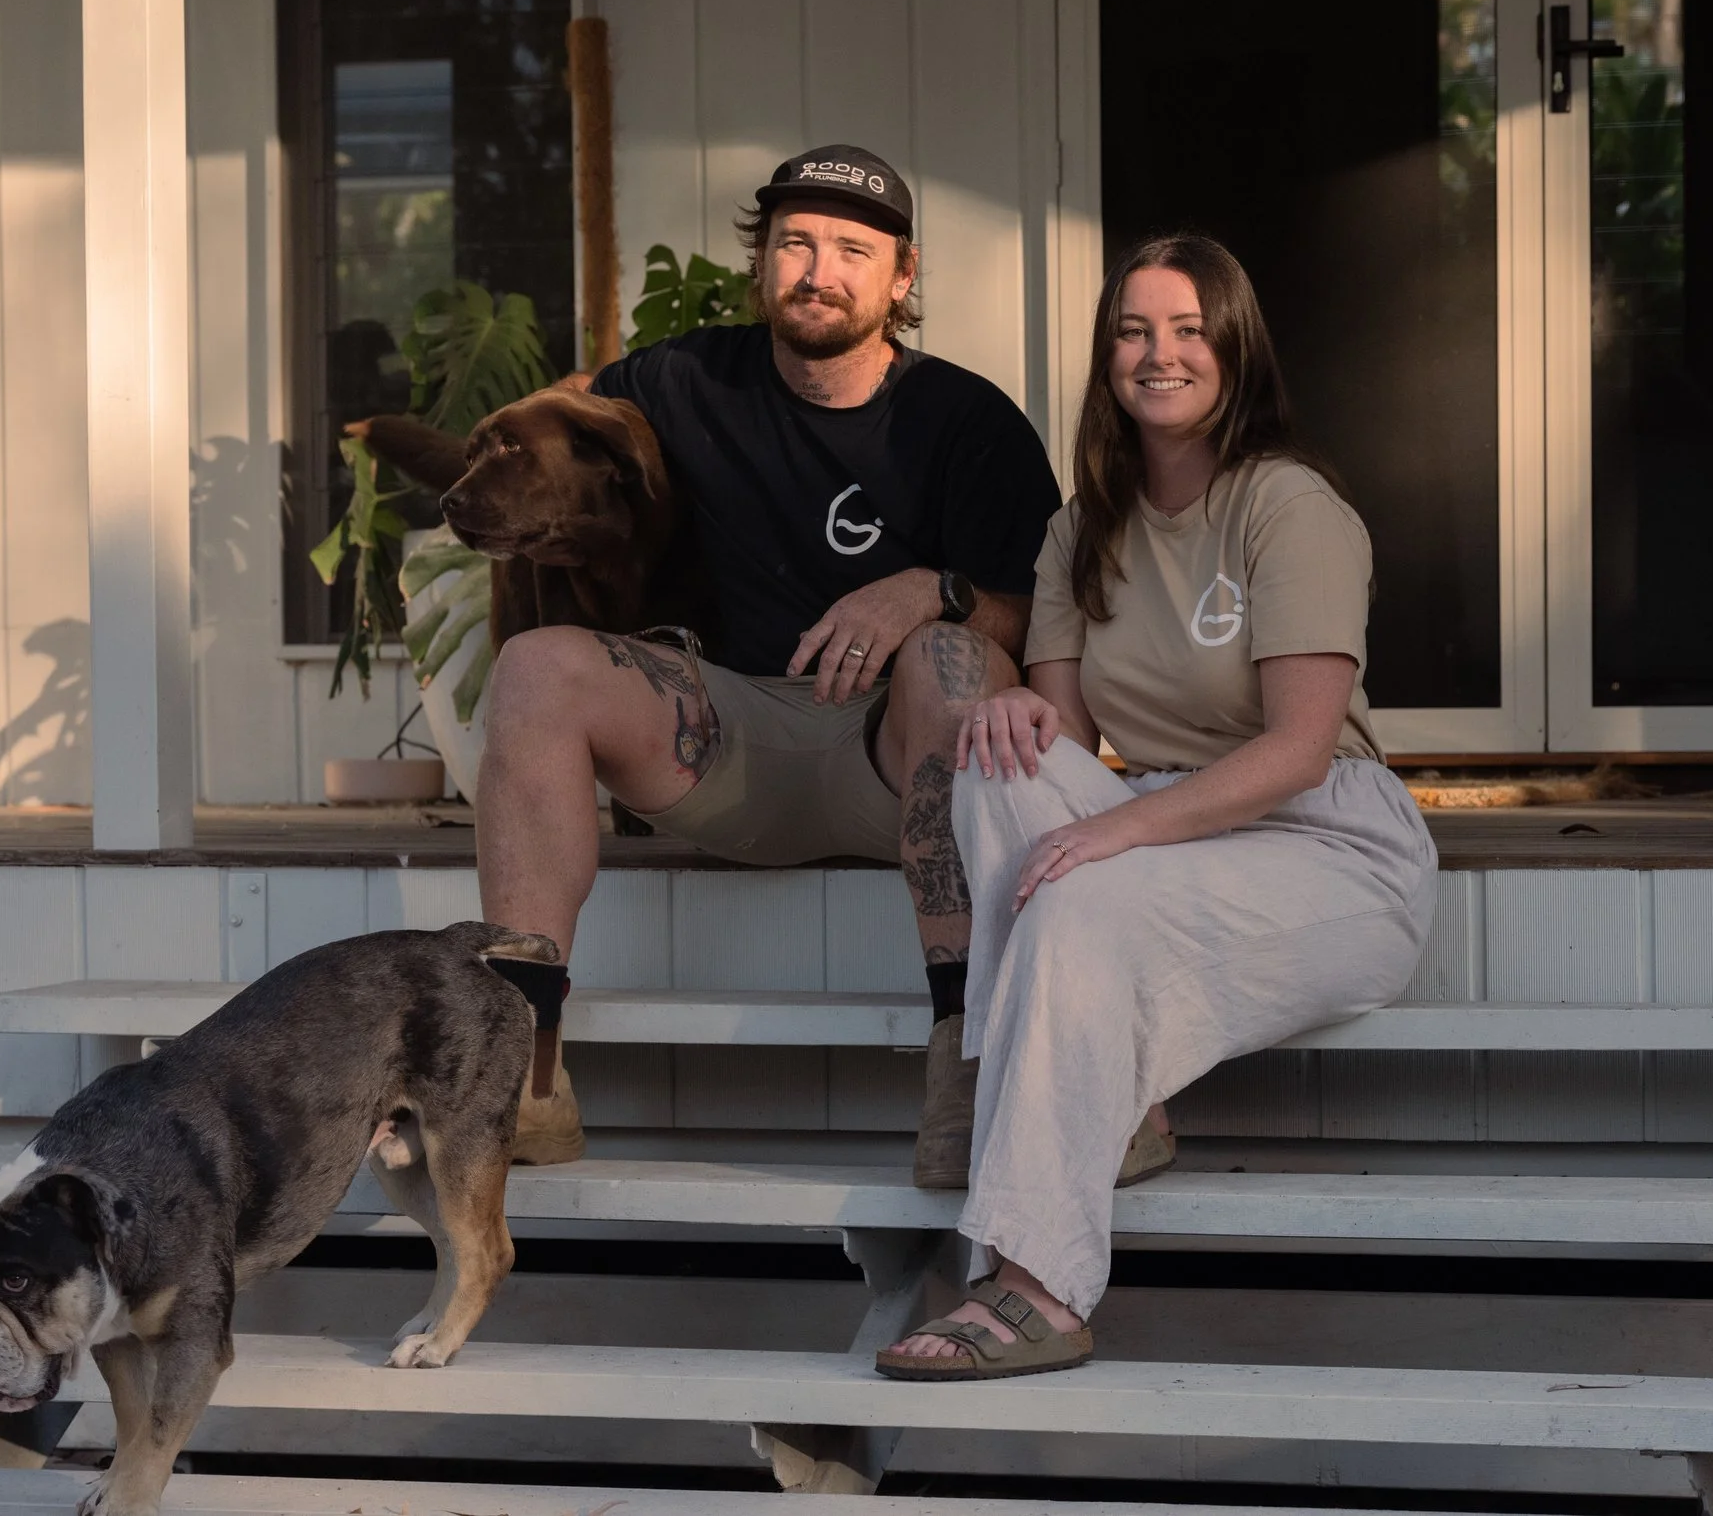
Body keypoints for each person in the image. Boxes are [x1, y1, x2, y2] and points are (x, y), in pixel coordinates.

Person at [876, 234, 1438, 1380]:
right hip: (1169, 825)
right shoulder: (1080, 528)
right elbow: (1071, 742)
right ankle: (1111, 1110)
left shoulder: (1288, 505)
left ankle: (1038, 1284)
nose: (1158, 353)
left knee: (1080, 908)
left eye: (1188, 329)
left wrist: (1113, 828)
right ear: (1105, 356)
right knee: (994, 759)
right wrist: (1025, 727)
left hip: (1327, 840)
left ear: (1234, 350)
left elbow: (1294, 749)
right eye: (1133, 330)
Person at [476, 144, 1064, 1169]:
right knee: (534, 667)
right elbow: (570, 430)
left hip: (903, 760)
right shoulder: (680, 381)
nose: (816, 268)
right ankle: (524, 1061)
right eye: (794, 241)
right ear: (763, 261)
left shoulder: (966, 421)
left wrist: (935, 587)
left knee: (948, 659)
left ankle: (965, 1058)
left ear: (901, 275)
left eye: (849, 247)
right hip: (730, 737)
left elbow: (1042, 613)